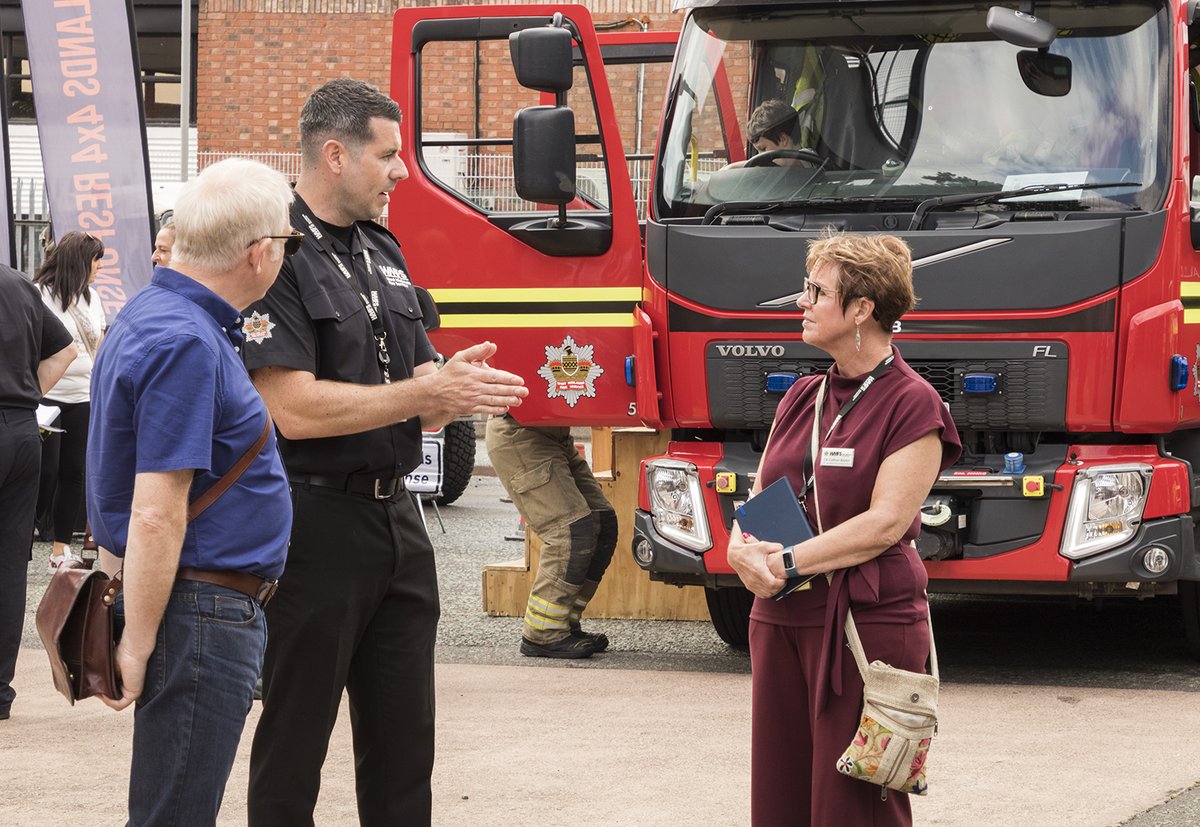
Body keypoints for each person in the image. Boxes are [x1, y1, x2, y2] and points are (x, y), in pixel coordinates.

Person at [244, 77, 527, 826]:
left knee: (406, 745)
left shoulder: (381, 246)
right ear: (335, 154)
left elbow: (418, 376)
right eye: (390, 154)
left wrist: (456, 382)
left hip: (398, 522)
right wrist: (418, 396)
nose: (404, 170)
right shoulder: (274, 251)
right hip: (312, 523)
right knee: (294, 740)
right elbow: (291, 407)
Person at [86, 158, 296, 822]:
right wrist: (137, 641)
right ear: (259, 254)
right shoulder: (186, 339)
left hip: (195, 604)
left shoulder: (157, 316)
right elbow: (154, 510)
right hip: (201, 610)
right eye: (288, 241)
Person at [725, 232, 960, 826]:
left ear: (861, 309)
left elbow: (887, 523)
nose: (800, 302)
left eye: (816, 291)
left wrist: (791, 562)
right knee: (779, 795)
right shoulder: (802, 396)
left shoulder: (914, 403)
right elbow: (757, 499)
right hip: (780, 616)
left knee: (855, 807)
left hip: (864, 624)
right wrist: (738, 549)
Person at [0, 265, 74, 721]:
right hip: (22, 432)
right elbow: (65, 349)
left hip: (20, 420)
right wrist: (28, 395)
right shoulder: (17, 282)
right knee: (9, 564)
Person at [486, 417, 617, 658]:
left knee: (602, 523)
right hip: (521, 435)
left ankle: (565, 623)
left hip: (556, 435)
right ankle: (543, 633)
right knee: (567, 531)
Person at [32, 231, 106, 569]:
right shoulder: (40, 295)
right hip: (45, 396)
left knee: (74, 471)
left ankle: (60, 550)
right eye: (96, 260)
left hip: (83, 395)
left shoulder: (94, 299)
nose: (100, 267)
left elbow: (100, 346)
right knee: (44, 471)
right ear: (80, 261)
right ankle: (25, 536)